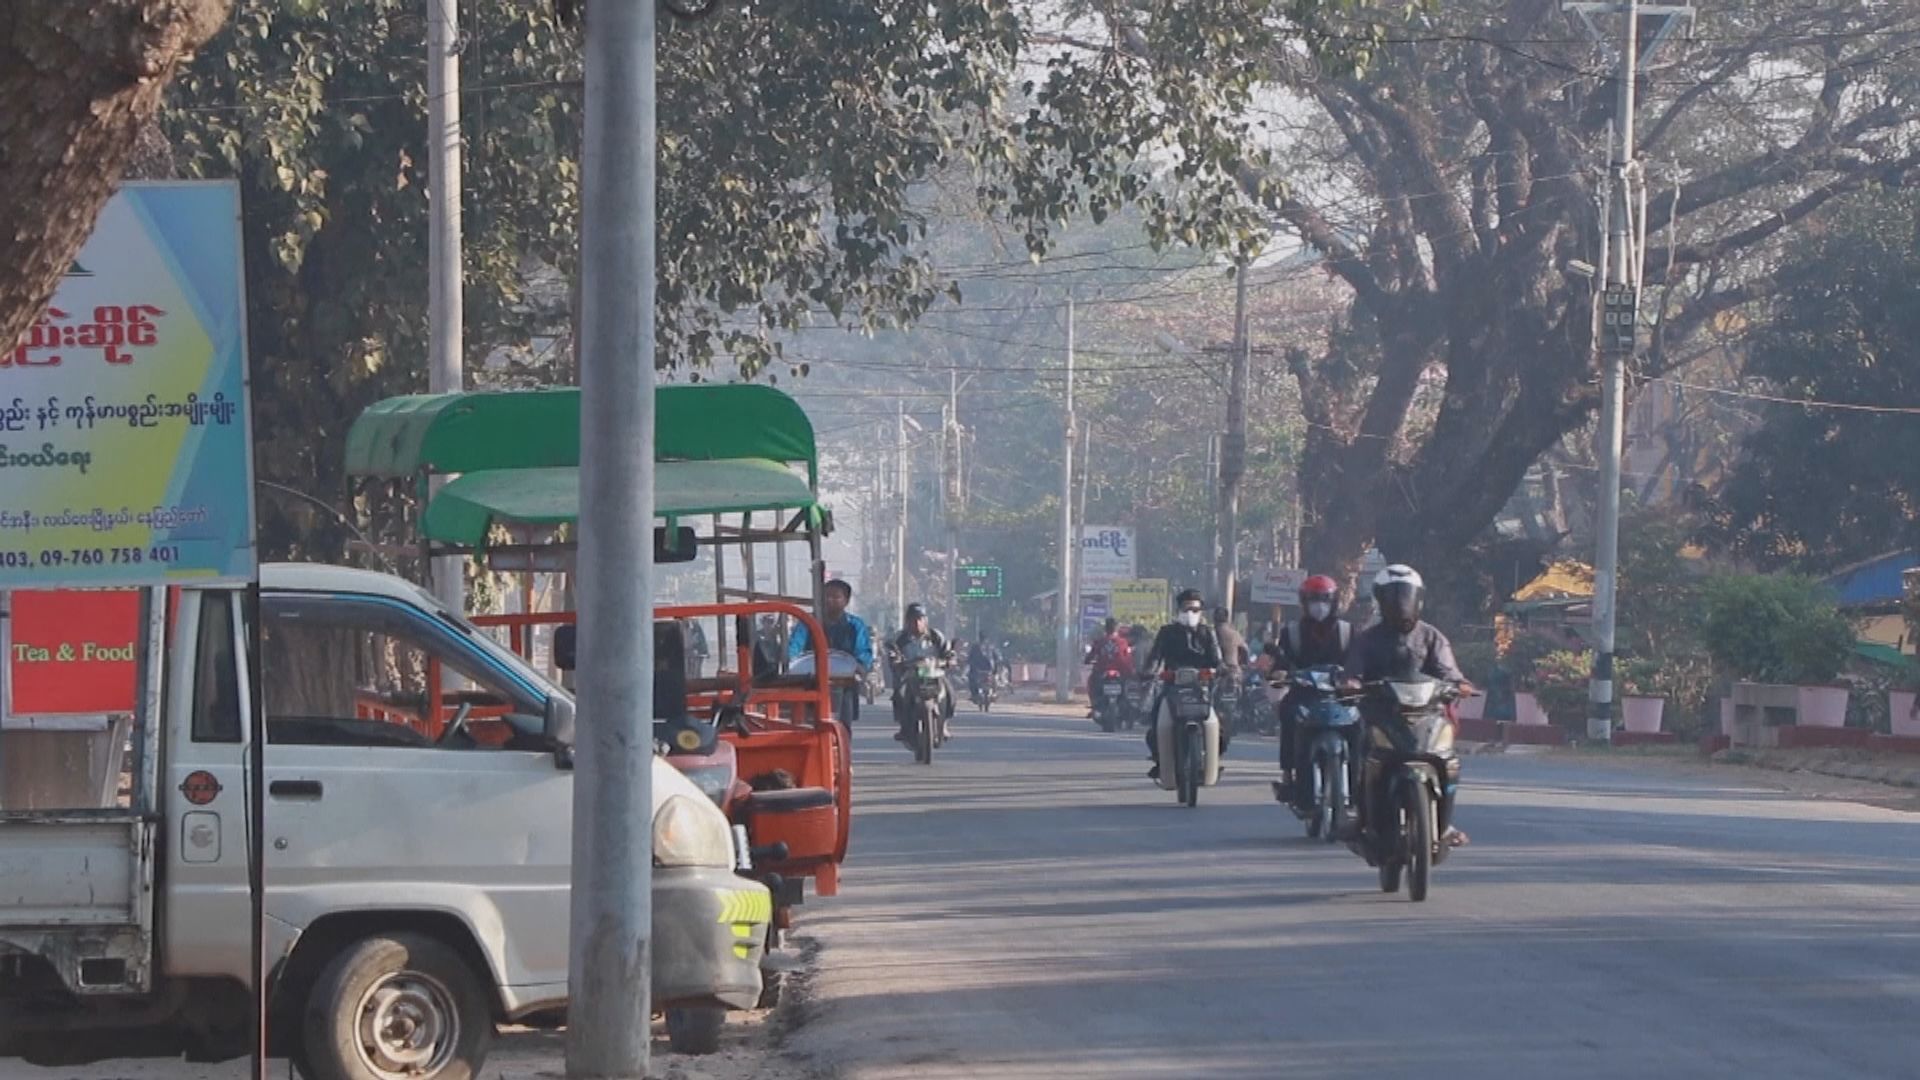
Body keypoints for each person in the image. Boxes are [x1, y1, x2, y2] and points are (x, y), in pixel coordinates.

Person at [1342, 564, 1471, 846]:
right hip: (1382, 716)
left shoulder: (1431, 637)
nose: (1401, 603)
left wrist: (1458, 685)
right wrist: (1352, 684)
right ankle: (1363, 818)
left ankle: (1444, 825)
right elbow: (1353, 672)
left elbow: (1449, 671)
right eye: (1394, 596)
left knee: (1449, 762)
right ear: (1381, 599)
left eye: (1406, 595)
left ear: (1419, 599)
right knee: (1363, 756)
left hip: (1428, 715)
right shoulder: (1367, 639)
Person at [1265, 574, 1352, 809]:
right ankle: (1288, 775)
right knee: (1287, 713)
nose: (1319, 605)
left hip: (1340, 696)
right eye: (1314, 600)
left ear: (1334, 601)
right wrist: (1279, 674)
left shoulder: (1347, 632)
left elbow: (1360, 663)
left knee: (1361, 726)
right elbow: (1280, 662)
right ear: (1304, 602)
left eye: (1325, 599)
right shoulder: (1291, 632)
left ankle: (1362, 783)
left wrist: (1357, 679)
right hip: (1304, 695)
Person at [1140, 589, 1227, 780]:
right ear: (1178, 610)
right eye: (1187, 608)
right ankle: (1160, 760)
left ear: (1201, 612)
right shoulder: (1167, 632)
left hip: (1202, 688)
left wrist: (1221, 668)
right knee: (1156, 721)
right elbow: (1156, 656)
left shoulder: (1207, 633)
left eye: (1195, 609)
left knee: (1221, 726)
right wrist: (1149, 671)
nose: (1191, 613)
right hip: (1172, 687)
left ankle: (1212, 759)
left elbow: (1217, 659)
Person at [789, 579, 874, 724]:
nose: (830, 600)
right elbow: (794, 647)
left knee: (843, 728)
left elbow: (863, 651)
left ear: (846, 601)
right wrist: (789, 662)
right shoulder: (808, 621)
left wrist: (860, 666)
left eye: (835, 597)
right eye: (826, 596)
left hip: (844, 682)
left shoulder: (855, 625)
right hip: (811, 681)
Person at [888, 602, 956, 742]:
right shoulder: (900, 638)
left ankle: (944, 725)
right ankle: (903, 727)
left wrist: (949, 660)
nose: (917, 623)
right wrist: (897, 661)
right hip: (911, 675)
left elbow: (948, 652)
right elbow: (893, 653)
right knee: (899, 695)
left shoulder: (936, 636)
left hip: (934, 673)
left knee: (950, 693)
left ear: (925, 620)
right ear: (907, 621)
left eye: (920, 619)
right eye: (913, 619)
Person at [1084, 617, 1135, 715]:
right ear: (1116, 628)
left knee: (1092, 682)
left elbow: (1091, 656)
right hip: (1121, 672)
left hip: (1102, 672)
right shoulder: (1123, 642)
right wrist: (1130, 670)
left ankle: (1094, 704)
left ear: (1105, 628)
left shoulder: (1100, 642)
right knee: (1128, 687)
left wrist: (1087, 661)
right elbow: (1128, 658)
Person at [966, 631, 1000, 706]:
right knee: (995, 679)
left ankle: (974, 694)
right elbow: (997, 658)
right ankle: (994, 693)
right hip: (990, 669)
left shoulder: (975, 646)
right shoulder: (991, 646)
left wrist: (968, 662)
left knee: (971, 679)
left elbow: (970, 658)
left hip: (977, 669)